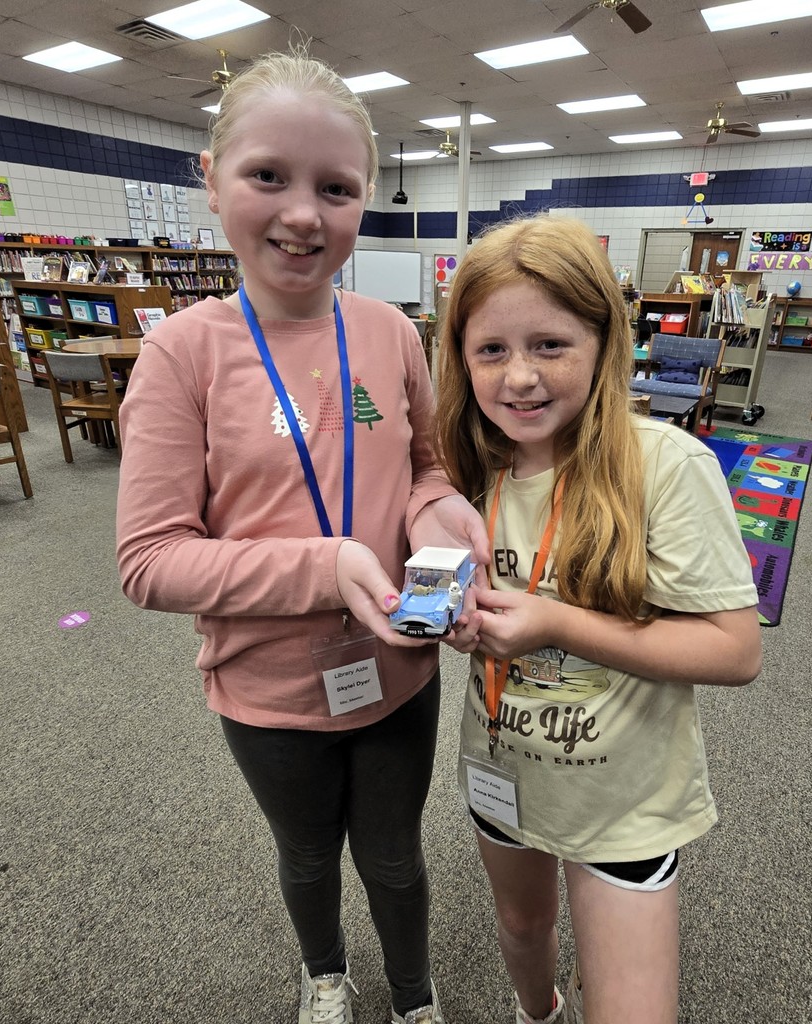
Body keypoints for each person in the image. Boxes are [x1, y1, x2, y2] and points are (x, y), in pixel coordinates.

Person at [116, 47, 488, 1024]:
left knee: (398, 858)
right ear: (210, 180)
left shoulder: (391, 331)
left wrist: (439, 513)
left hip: (398, 663)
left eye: (336, 187)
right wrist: (325, 563)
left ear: (364, 198)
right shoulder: (180, 354)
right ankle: (324, 973)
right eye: (267, 176)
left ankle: (412, 997)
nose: (302, 213)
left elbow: (429, 467)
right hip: (268, 689)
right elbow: (149, 560)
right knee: (308, 854)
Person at [434, 215, 763, 1024]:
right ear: (460, 357)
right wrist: (455, 618)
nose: (519, 378)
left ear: (604, 342)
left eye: (551, 345)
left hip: (625, 795)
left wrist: (557, 625)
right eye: (491, 350)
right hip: (503, 766)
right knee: (521, 926)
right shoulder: (463, 469)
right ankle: (539, 1011)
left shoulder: (665, 465)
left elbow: (734, 650)